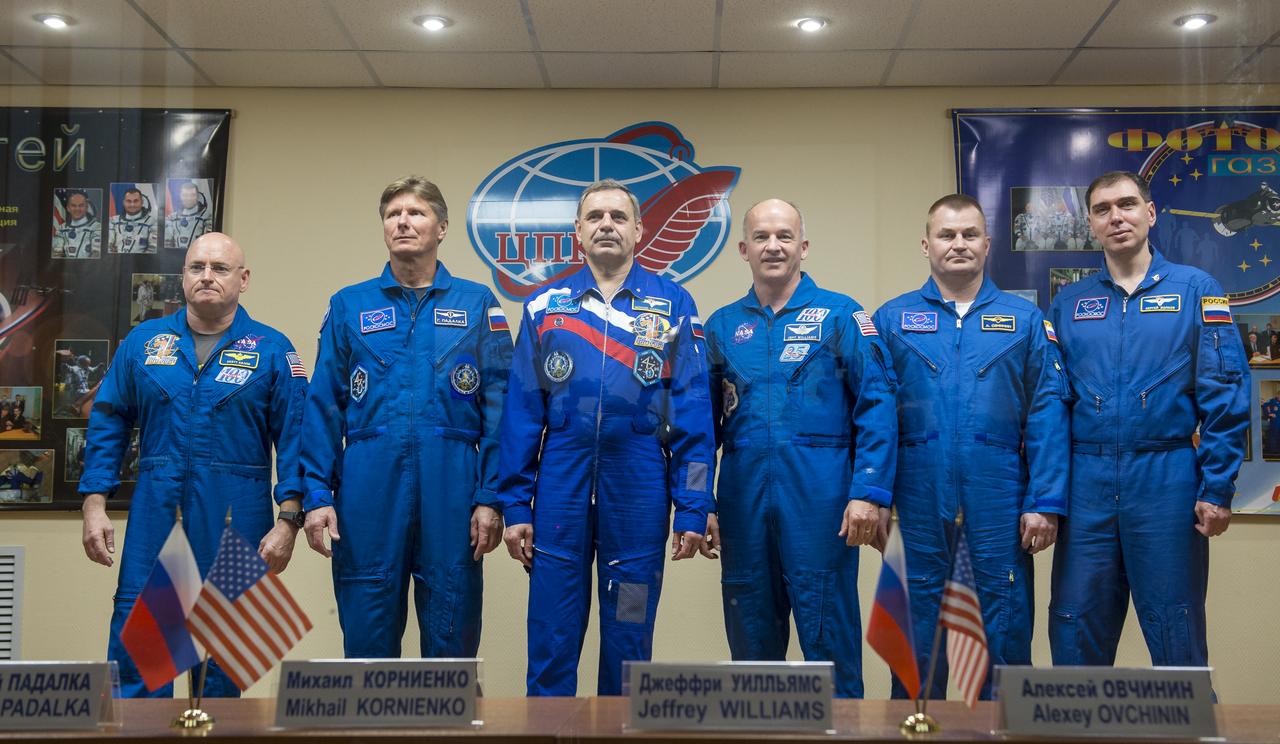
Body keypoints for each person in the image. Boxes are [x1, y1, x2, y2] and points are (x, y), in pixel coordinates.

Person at [498, 179, 714, 696]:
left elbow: (693, 415)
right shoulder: (546, 305)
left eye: (618, 217)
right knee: (551, 637)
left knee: (630, 635)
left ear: (639, 229)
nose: (606, 226)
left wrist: (691, 505)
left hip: (639, 488)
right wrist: (515, 507)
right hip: (559, 487)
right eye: (594, 217)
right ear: (577, 231)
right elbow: (522, 414)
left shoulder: (673, 302)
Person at [79, 232, 308, 698]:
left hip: (237, 516)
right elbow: (107, 422)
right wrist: (94, 504)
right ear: (182, 277)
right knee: (144, 663)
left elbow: (298, 441)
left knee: (221, 670)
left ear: (243, 280)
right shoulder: (144, 343)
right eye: (196, 267)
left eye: (220, 268)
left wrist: (289, 521)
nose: (207, 276)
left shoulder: (272, 349)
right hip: (157, 513)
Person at [300, 176, 511, 661]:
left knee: (451, 622)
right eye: (393, 214)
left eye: (416, 213)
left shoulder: (477, 303)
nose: (403, 221)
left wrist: (490, 497)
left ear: (442, 228)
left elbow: (502, 408)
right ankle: (371, 736)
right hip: (369, 483)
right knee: (367, 625)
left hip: (452, 482)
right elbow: (324, 405)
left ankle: (448, 737)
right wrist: (316, 494)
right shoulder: (350, 305)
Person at [1048, 171, 1250, 669]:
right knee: (1074, 629)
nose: (1116, 217)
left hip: (1166, 480)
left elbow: (1226, 394)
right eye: (1102, 210)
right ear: (1091, 225)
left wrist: (1217, 487)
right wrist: (1046, 496)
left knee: (1175, 629)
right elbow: (1049, 407)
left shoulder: (1198, 289)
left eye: (1127, 205)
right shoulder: (1068, 303)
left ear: (1150, 213)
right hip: (1085, 485)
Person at [873, 194, 1070, 700]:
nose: (958, 244)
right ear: (926, 245)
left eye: (968, 235)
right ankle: (914, 732)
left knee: (1003, 632)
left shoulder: (1025, 321)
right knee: (917, 634)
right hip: (917, 496)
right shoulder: (893, 320)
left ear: (986, 244)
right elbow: (871, 416)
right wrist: (872, 494)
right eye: (946, 235)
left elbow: (1047, 413)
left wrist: (1044, 502)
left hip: (999, 496)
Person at [704, 199, 897, 698]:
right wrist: (698, 502)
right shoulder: (722, 327)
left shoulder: (841, 315)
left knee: (827, 632)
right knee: (751, 640)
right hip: (744, 500)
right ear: (743, 249)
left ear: (804, 247)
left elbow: (878, 403)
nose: (774, 246)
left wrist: (868, 492)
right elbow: (699, 427)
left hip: (821, 500)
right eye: (762, 237)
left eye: (785, 235)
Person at [53, 190, 101, 259]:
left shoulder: (96, 227)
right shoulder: (62, 229)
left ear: (86, 207)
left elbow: (96, 253)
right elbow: (57, 253)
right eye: (73, 205)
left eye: (81, 205)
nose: (77, 209)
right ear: (68, 208)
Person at [165, 181, 211, 251]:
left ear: (197, 196)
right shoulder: (172, 218)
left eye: (192, 195)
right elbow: (167, 245)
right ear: (180, 196)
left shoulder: (207, 218)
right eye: (185, 195)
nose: (189, 198)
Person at [109, 187, 157, 254]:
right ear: (123, 202)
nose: (132, 204)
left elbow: (153, 249)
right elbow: (108, 246)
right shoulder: (113, 221)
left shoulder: (152, 223)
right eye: (128, 201)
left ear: (142, 202)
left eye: (136, 201)